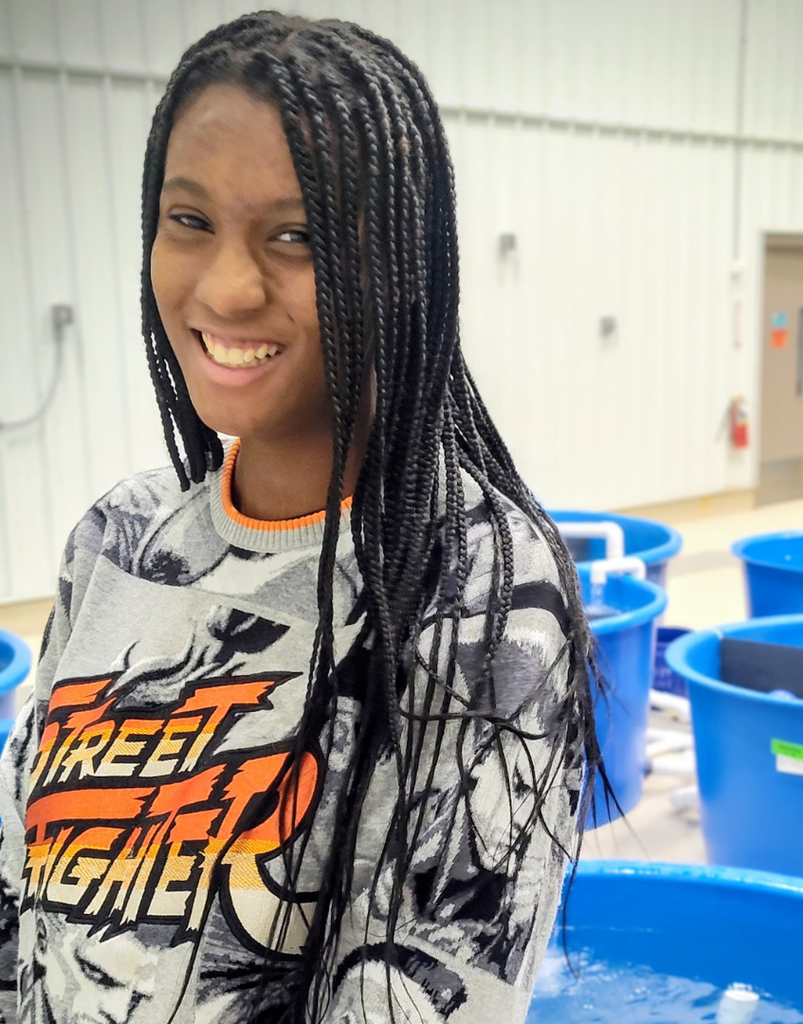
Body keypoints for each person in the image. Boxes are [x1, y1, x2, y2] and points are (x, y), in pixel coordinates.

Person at [0, 12, 602, 1024]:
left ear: (401, 266)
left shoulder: (479, 586)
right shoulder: (119, 539)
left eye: (298, 235)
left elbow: (422, 991)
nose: (227, 286)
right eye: (189, 220)